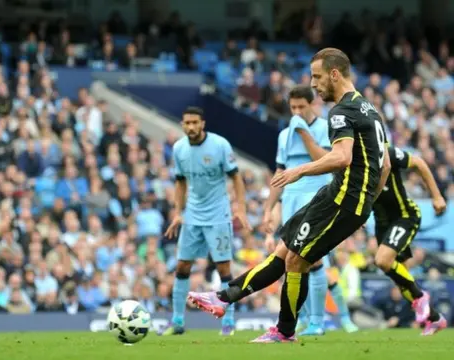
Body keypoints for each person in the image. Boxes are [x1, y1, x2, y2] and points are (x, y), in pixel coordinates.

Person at [188, 48, 391, 343]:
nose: (314, 84)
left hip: (343, 200)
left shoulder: (340, 113)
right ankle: (223, 298)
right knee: (282, 253)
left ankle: (285, 330)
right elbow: (383, 164)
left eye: (317, 77)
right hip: (336, 195)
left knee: (297, 261)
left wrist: (300, 172)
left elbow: (342, 157)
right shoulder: (369, 109)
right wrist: (368, 202)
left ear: (335, 74)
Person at [260, 85, 358, 336]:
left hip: (317, 196)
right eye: (293, 108)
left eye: (301, 107)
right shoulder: (284, 135)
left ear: (312, 105)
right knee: (293, 264)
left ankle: (319, 320)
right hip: (291, 199)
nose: (296, 112)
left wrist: (303, 132)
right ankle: (304, 320)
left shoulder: (328, 127)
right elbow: (280, 172)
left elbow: (325, 159)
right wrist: (269, 208)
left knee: (314, 261)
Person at [158, 106, 251, 337]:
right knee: (182, 266)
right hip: (192, 215)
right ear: (182, 124)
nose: (190, 127)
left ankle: (228, 321)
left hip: (218, 214)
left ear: (203, 124)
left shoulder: (220, 145)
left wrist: (240, 207)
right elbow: (180, 182)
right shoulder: (179, 148)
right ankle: (177, 321)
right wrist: (178, 212)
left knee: (224, 269)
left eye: (194, 123)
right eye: (186, 123)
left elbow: (236, 177)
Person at [371, 145, 448, 335]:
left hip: (404, 216)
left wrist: (436, 196)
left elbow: (419, 163)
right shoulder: (351, 160)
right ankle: (435, 318)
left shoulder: (386, 152)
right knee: (401, 277)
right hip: (382, 223)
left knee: (382, 260)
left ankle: (421, 298)